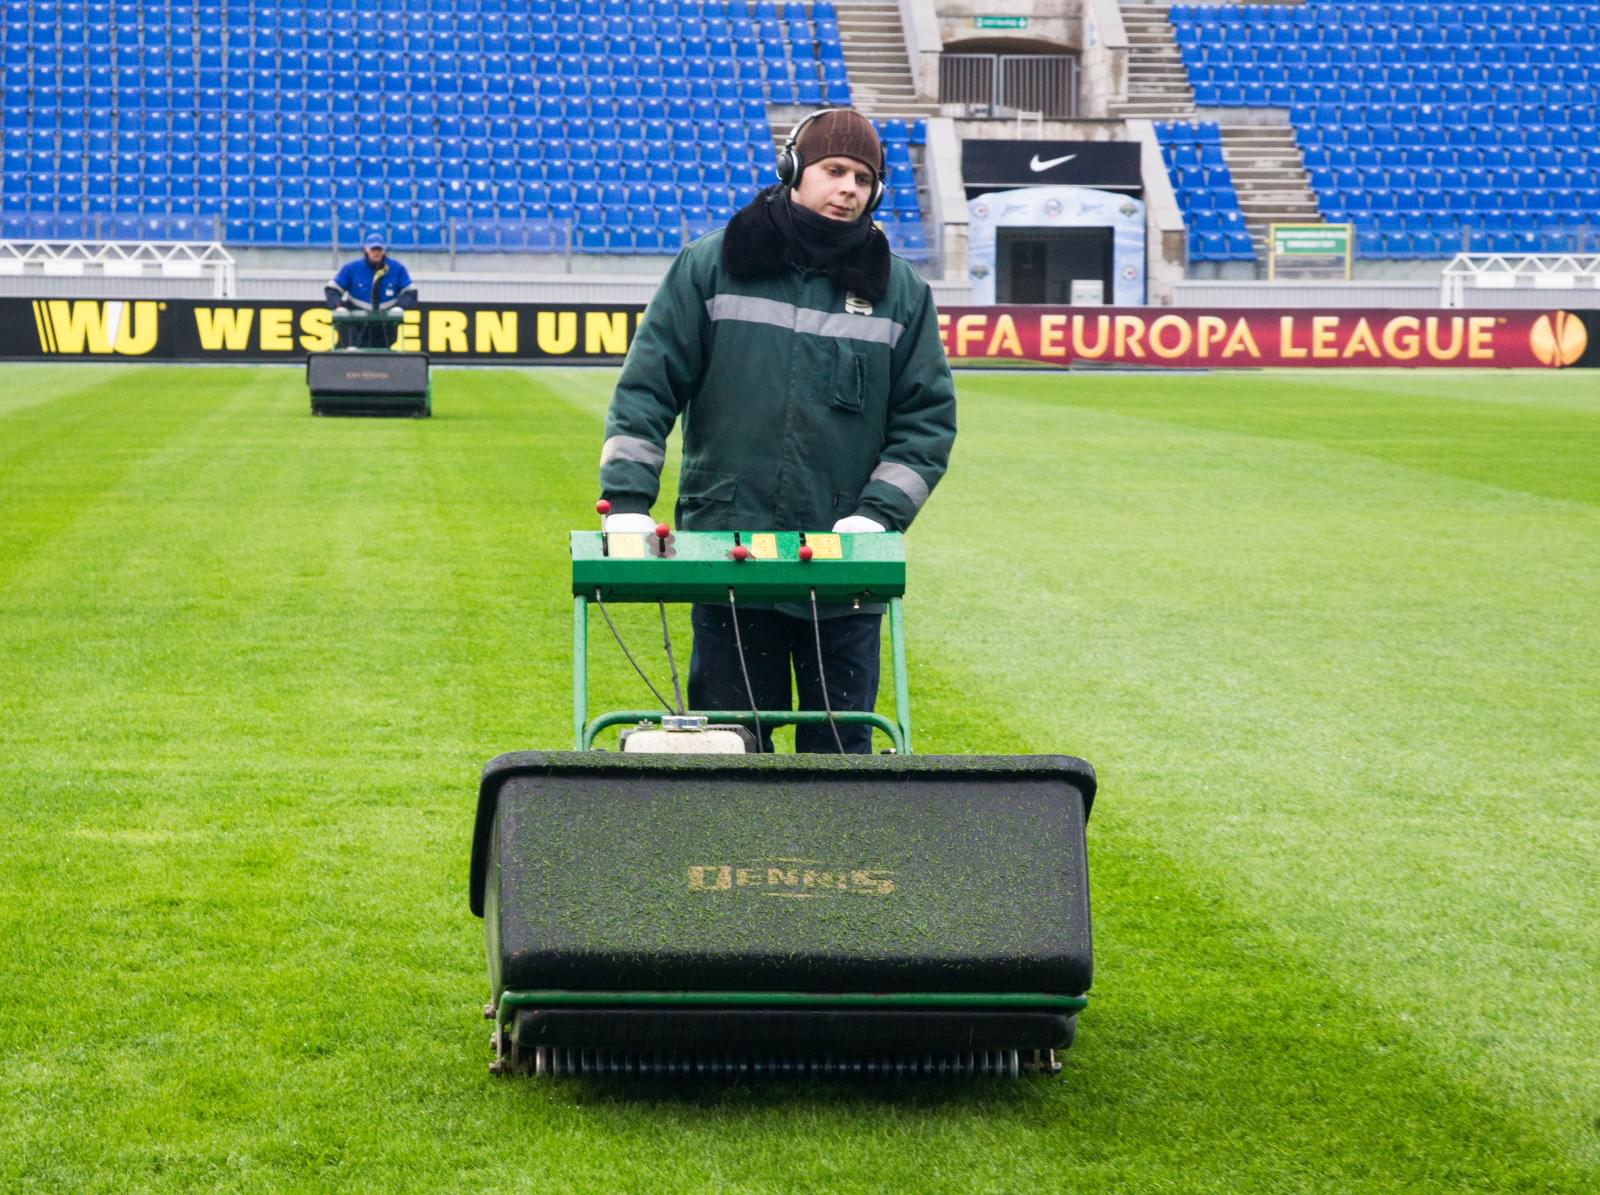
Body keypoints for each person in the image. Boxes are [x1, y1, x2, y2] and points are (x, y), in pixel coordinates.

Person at [597, 108, 956, 754]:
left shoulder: (901, 293)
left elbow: (927, 422)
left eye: (864, 177)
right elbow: (647, 388)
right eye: (834, 170)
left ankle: (837, 862)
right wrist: (625, 500)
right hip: (728, 559)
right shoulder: (710, 266)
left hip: (846, 575)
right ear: (793, 170)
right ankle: (730, 863)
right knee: (731, 757)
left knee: (841, 765)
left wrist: (879, 515)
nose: (849, 187)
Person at [324, 232, 415, 348]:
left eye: (379, 249)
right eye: (373, 249)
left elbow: (411, 292)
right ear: (366, 249)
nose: (376, 253)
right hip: (358, 324)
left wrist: (400, 306)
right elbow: (332, 289)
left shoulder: (396, 268)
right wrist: (338, 306)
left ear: (384, 250)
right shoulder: (352, 268)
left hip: (386, 325)